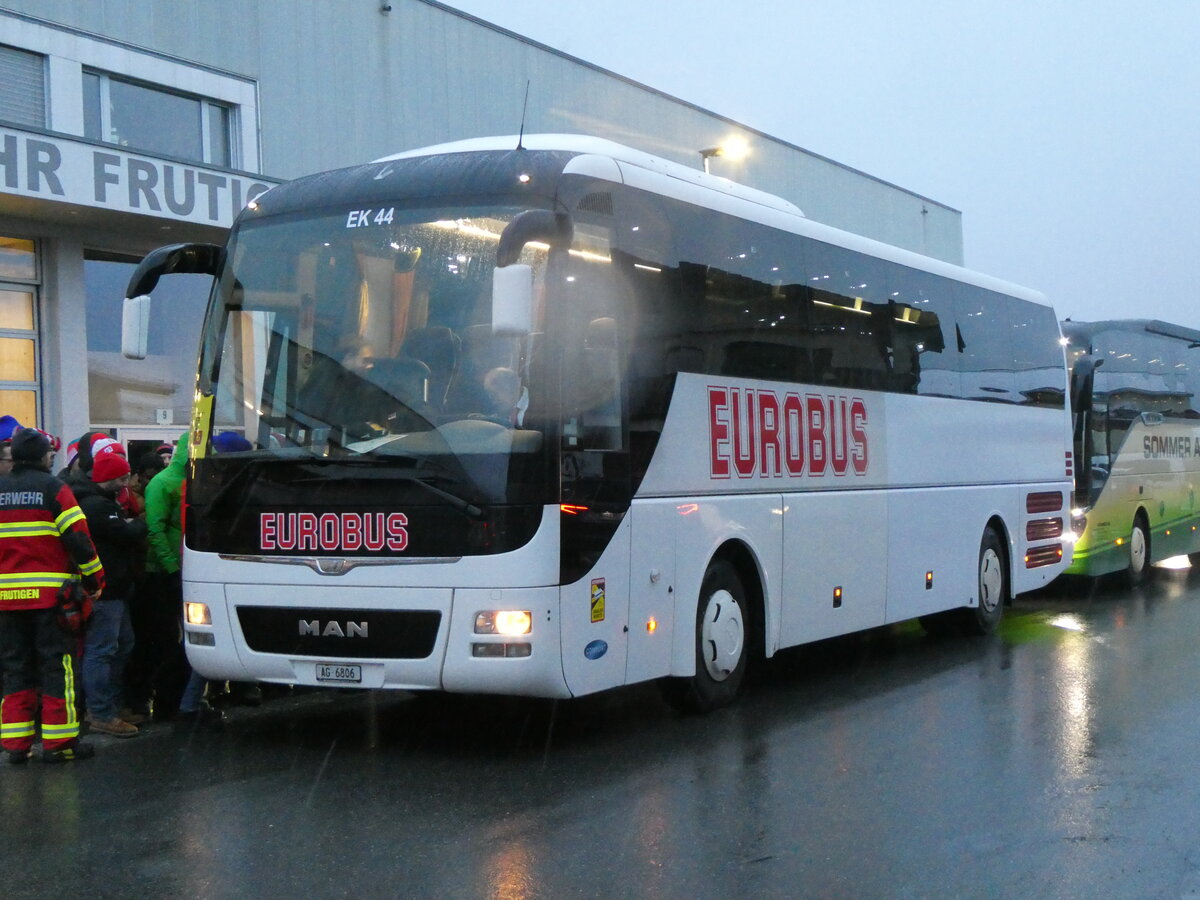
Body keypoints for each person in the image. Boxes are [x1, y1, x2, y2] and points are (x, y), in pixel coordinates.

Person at [0, 427, 105, 763]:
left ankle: (15, 746)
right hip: (50, 600)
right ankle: (59, 744)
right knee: (58, 667)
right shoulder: (53, 489)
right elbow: (78, 539)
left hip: (6, 601)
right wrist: (95, 579)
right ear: (43, 455)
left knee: (15, 668)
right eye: (49, 452)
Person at [143, 440, 223, 725]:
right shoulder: (164, 483)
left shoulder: (198, 481)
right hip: (169, 575)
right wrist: (171, 568)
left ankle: (185, 703)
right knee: (178, 641)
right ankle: (175, 703)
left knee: (196, 639)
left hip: (192, 569)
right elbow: (155, 528)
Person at [75, 451, 147, 737]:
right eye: (121, 477)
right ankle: (101, 712)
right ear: (107, 478)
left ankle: (108, 706)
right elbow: (126, 534)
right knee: (102, 651)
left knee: (120, 645)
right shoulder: (98, 507)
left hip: (114, 588)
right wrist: (139, 523)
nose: (125, 482)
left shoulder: (101, 503)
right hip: (106, 590)